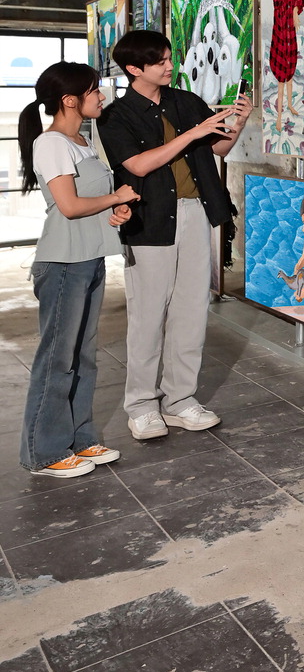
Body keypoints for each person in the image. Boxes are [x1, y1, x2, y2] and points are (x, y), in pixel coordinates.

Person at [97, 30, 252, 441]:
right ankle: (141, 406)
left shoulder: (186, 101)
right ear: (134, 68)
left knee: (191, 310)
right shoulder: (116, 115)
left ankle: (181, 400)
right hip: (148, 219)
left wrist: (239, 121)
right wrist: (192, 134)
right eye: (160, 61)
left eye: (169, 58)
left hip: (196, 212)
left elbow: (218, 149)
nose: (170, 66)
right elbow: (138, 165)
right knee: (148, 315)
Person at [17, 62, 139, 476]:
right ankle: (44, 453)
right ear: (70, 100)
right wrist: (116, 197)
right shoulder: (52, 143)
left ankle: (81, 440)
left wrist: (116, 211)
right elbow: (69, 207)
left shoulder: (83, 141)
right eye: (94, 91)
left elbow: (90, 201)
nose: (102, 97)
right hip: (63, 263)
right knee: (57, 359)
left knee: (83, 357)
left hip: (89, 257)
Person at [268, 0, 304, 128]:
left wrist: (296, 11)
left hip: (291, 43)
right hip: (280, 45)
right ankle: (279, 117)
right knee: (281, 83)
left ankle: (290, 105)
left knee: (290, 77)